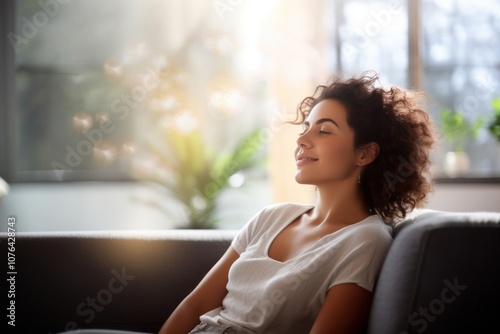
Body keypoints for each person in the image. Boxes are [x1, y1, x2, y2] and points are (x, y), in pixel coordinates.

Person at [158, 72, 436, 334]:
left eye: (324, 131)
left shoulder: (365, 240)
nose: (302, 140)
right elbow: (195, 305)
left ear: (364, 154)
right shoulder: (271, 217)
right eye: (305, 128)